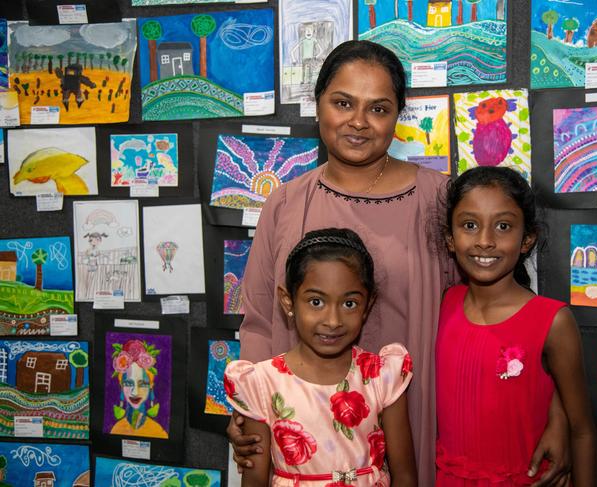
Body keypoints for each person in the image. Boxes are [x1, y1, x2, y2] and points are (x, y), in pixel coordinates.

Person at [229, 40, 571, 485]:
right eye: (343, 103)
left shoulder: (440, 199)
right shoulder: (286, 203)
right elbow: (258, 320)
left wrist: (559, 414)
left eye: (378, 108)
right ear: (317, 105)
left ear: (397, 116)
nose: (358, 121)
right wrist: (245, 410)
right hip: (304, 439)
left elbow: (511, 314)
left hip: (423, 420)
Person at [436, 167, 597, 486]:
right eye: (470, 225)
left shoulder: (553, 320)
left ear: (526, 240)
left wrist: (558, 417)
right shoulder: (444, 304)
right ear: (449, 238)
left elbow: (582, 431)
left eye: (503, 226)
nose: (485, 241)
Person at [225, 228, 417, 486]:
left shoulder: (383, 376)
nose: (333, 320)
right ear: (288, 302)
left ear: (367, 306)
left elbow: (405, 475)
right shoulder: (260, 383)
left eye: (349, 303)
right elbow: (255, 479)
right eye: (316, 302)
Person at [110, 339, 168, 439]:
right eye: (128, 383)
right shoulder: (116, 430)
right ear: (122, 387)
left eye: (143, 384)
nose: (135, 392)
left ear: (151, 388)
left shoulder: (158, 432)